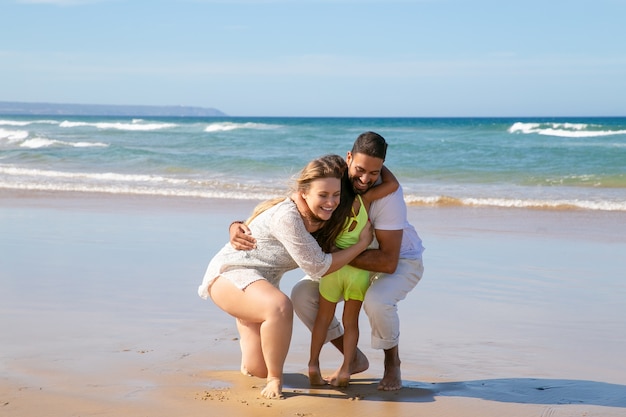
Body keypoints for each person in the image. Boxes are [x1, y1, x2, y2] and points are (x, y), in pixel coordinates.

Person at [230, 132, 425, 391]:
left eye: (374, 173)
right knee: (302, 294)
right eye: (359, 169)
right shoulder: (336, 185)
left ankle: (392, 364)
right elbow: (289, 205)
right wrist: (238, 224)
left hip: (399, 260)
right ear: (348, 159)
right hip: (348, 259)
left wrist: (337, 253)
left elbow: (388, 262)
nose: (365, 179)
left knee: (377, 301)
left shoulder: (386, 196)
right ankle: (352, 358)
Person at [198, 154, 373, 400]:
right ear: (303, 192)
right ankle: (274, 380)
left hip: (262, 283)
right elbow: (317, 267)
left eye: (336, 195)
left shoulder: (327, 213)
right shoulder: (288, 216)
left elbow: (371, 170)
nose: (331, 202)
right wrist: (361, 244)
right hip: (231, 274)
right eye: (323, 195)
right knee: (280, 306)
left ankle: (249, 323)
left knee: (256, 368)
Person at [308, 165, 398, 388]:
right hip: (358, 273)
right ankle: (347, 368)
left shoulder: (332, 204)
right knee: (351, 323)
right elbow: (393, 184)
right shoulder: (365, 199)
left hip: (333, 267)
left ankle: (312, 364)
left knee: (323, 319)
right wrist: (378, 166)